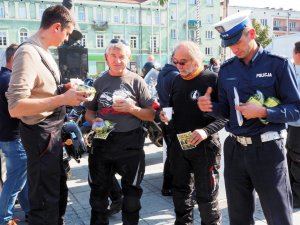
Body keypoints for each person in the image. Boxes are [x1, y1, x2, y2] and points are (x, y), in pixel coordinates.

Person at [198, 10, 300, 225]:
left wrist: (264, 112)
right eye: (229, 45)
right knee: (238, 217)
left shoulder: (278, 64)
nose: (234, 48)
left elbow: (296, 109)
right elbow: (226, 111)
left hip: (268, 150)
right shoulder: (226, 70)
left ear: (251, 33)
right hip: (235, 149)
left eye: (237, 41)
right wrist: (210, 107)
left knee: (278, 216)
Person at [6, 5, 89, 225]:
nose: (67, 39)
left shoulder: (42, 51)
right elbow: (15, 107)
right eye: (67, 34)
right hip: (41, 136)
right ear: (57, 27)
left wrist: (63, 89)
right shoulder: (27, 53)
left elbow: (41, 91)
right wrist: (63, 99)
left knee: (56, 196)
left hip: (51, 135)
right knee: (44, 202)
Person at [84, 38, 155, 225]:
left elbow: (150, 115)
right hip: (102, 141)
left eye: (122, 56)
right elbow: (89, 113)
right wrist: (94, 120)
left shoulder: (137, 81)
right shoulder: (99, 82)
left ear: (128, 58)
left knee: (131, 198)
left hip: (130, 144)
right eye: (113, 56)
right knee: (98, 197)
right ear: (106, 58)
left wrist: (132, 109)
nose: (118, 60)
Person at [159, 41, 226, 225]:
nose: (178, 66)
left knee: (207, 198)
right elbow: (171, 109)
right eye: (175, 61)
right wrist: (163, 115)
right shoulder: (175, 80)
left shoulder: (212, 79)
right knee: (180, 194)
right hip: (179, 147)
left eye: (183, 62)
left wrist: (206, 131)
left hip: (205, 148)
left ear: (197, 61)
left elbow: (226, 116)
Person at [0, 44, 30, 225]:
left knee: (22, 177)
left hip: (6, 136)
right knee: (15, 182)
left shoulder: (2, 76)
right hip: (14, 137)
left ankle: (30, 210)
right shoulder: (11, 80)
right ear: (16, 59)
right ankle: (4, 218)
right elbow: (20, 110)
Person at [155, 53, 179, 196]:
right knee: (174, 154)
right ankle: (170, 185)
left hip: (165, 115)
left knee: (170, 152)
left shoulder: (163, 72)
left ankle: (167, 186)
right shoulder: (175, 75)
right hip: (173, 117)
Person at [286, 41, 300, 209]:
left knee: (296, 159)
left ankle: (297, 197)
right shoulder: (294, 71)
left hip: (297, 125)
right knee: (293, 157)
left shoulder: (296, 74)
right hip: (294, 124)